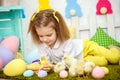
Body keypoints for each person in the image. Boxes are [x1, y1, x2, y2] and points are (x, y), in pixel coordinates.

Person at [28, 9, 120, 72]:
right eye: (41, 36)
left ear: (58, 30)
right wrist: (46, 67)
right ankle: (101, 56)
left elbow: (67, 62)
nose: (45, 39)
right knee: (103, 62)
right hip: (80, 59)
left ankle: (113, 48)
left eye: (49, 35)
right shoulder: (42, 45)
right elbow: (46, 61)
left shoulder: (66, 41)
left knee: (114, 58)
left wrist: (53, 67)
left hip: (86, 47)